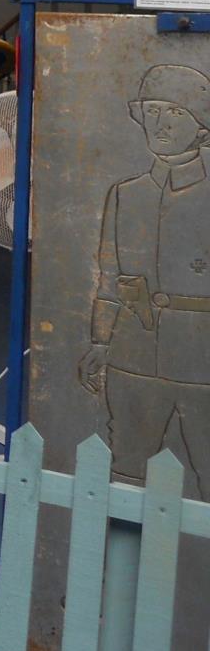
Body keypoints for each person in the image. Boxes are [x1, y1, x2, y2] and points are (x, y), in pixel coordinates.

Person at [80, 64, 210, 492]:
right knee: (127, 473)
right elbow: (110, 277)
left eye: (175, 112)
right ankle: (122, 559)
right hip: (132, 355)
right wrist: (100, 342)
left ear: (201, 125)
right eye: (152, 110)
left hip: (201, 358)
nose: (161, 123)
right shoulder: (125, 194)